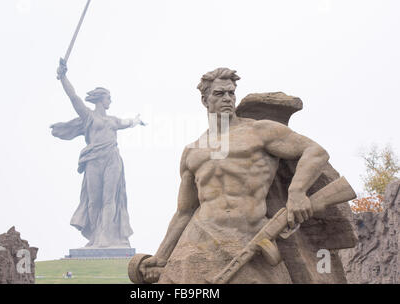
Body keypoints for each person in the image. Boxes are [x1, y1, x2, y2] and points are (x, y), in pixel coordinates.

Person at [140, 68, 331, 283]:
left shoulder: (260, 132)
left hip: (250, 239)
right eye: (219, 94)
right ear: (205, 100)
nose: (228, 99)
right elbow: (184, 212)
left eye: (231, 93)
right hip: (199, 242)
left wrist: (297, 192)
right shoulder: (192, 151)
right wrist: (161, 256)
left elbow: (315, 152)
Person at [51, 59, 145, 248]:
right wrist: (63, 77)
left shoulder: (114, 120)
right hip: (93, 160)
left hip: (112, 158)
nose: (110, 101)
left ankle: (106, 236)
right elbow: (74, 97)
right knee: (94, 200)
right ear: (100, 99)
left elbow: (128, 122)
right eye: (108, 97)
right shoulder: (89, 116)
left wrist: (136, 120)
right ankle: (95, 236)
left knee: (110, 199)